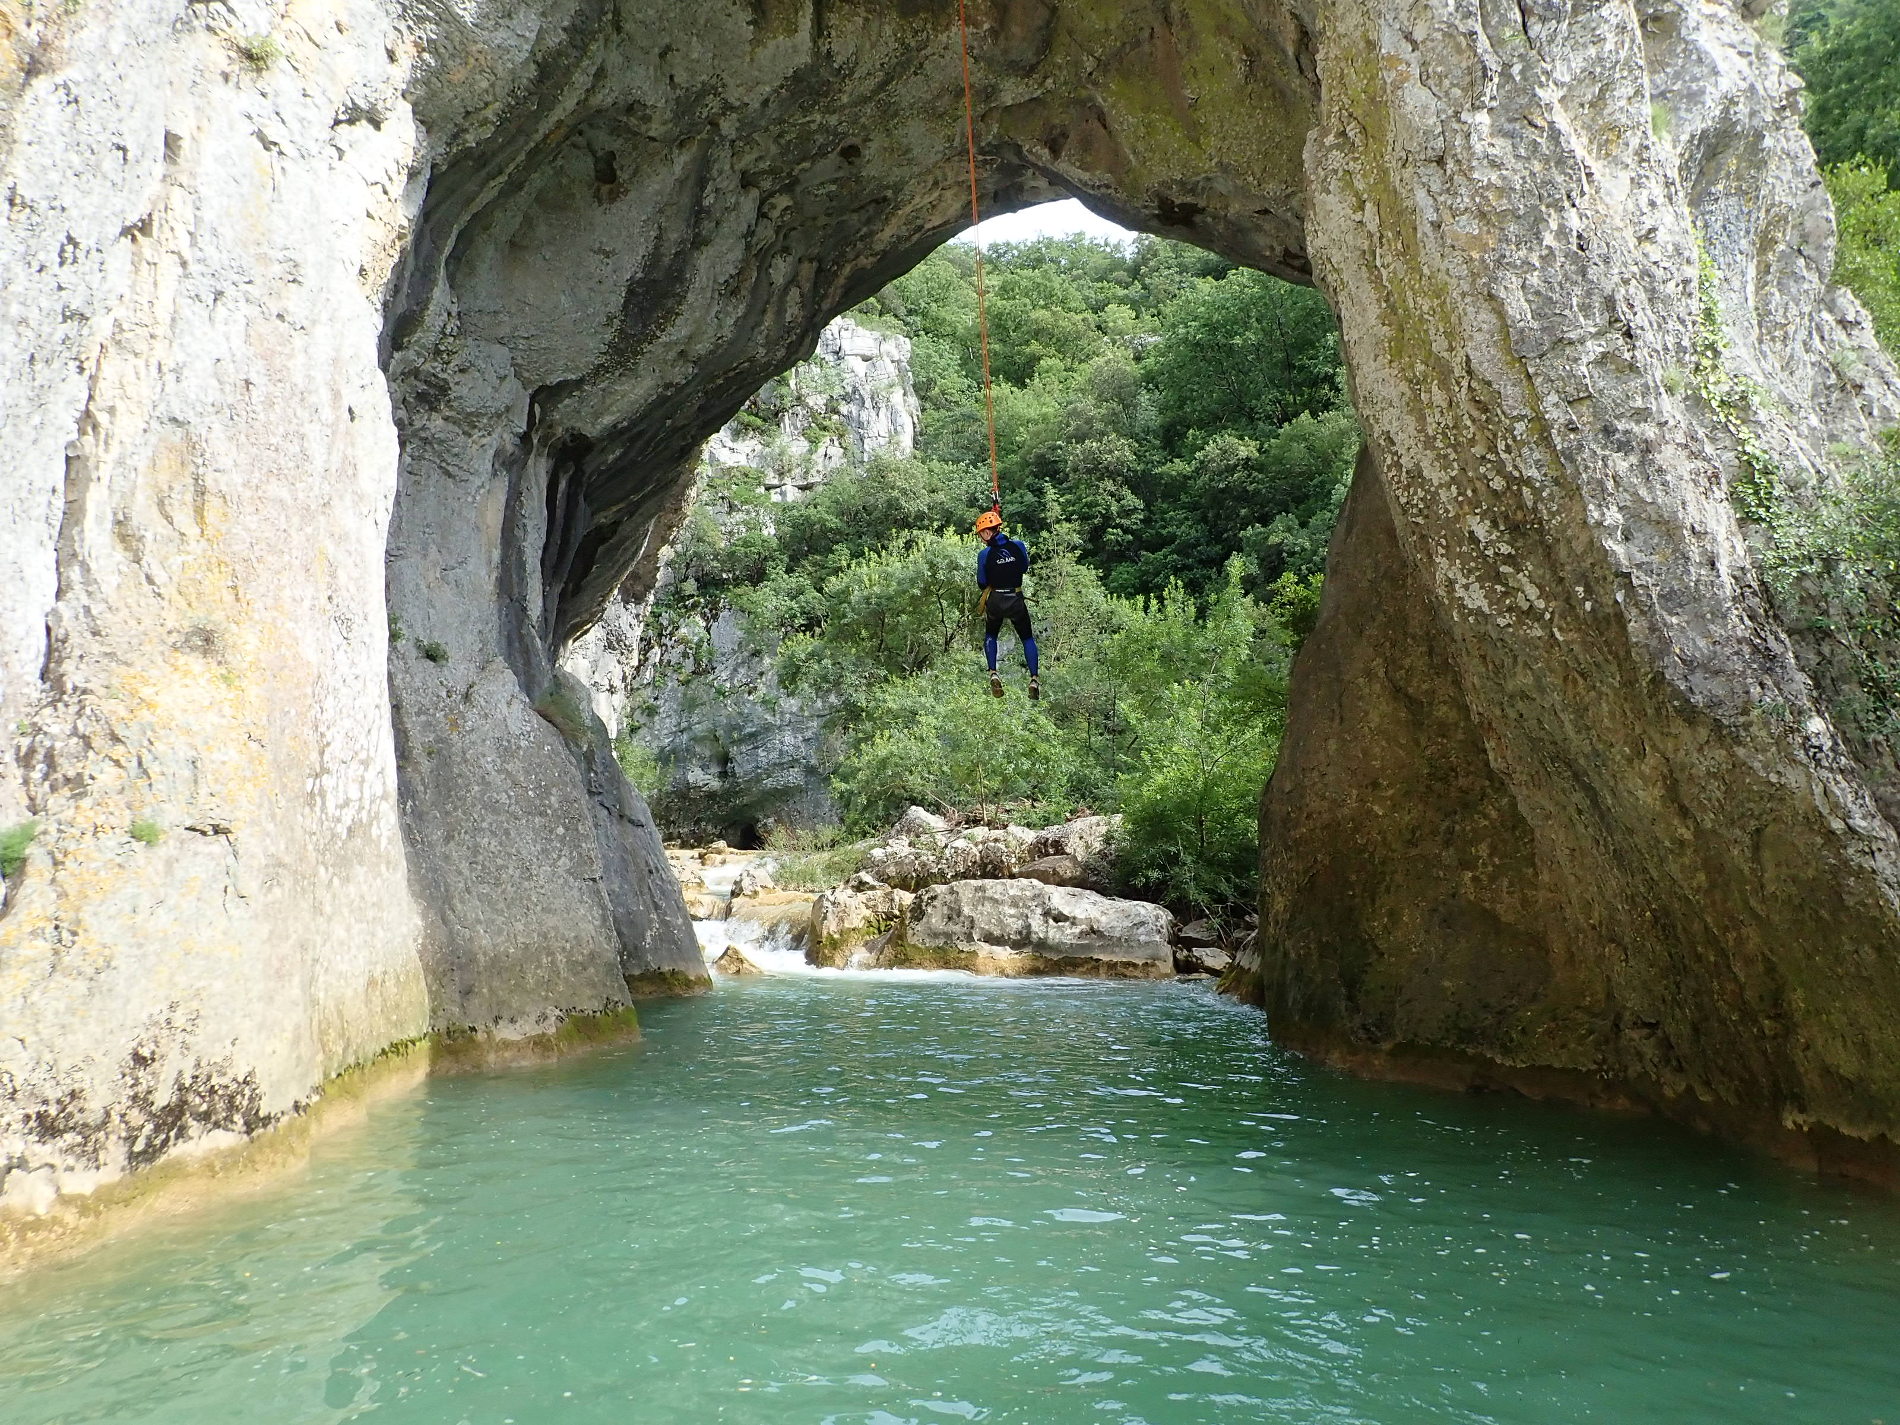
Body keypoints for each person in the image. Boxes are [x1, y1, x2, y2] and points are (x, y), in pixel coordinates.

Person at [974, 509, 1039, 700]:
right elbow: (1024, 567)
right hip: (1015, 599)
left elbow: (981, 582)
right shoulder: (1018, 546)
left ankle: (993, 672)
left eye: (981, 534)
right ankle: (1034, 679)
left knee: (991, 635)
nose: (981, 539)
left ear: (987, 532)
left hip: (995, 600)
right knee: (1027, 638)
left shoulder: (984, 554)